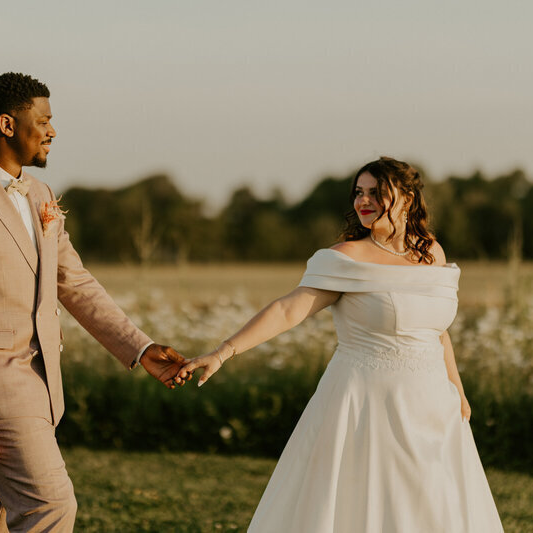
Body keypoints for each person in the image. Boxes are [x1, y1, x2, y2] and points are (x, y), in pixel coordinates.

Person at [0, 72, 186, 532]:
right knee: (51, 507)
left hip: (40, 387)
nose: (53, 131)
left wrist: (139, 347)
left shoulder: (40, 195)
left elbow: (73, 281)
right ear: (7, 124)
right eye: (44, 120)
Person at [179, 157, 503, 532]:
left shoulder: (432, 252)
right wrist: (223, 351)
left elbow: (437, 332)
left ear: (407, 198)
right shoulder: (344, 259)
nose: (364, 201)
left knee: (433, 505)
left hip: (433, 405)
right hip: (367, 406)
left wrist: (457, 393)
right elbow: (288, 310)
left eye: (376, 192)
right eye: (359, 193)